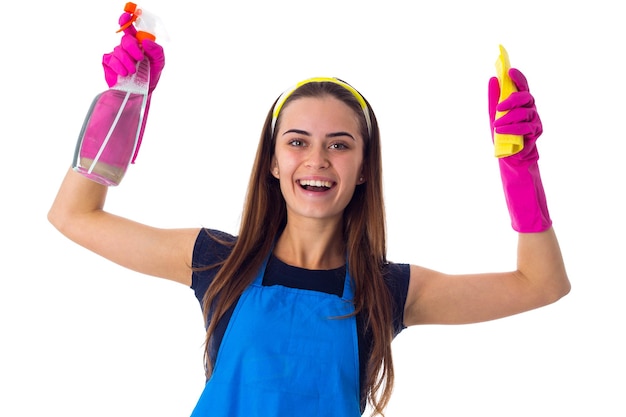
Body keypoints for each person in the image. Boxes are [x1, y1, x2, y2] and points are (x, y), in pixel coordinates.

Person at [48, 13, 570, 417]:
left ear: (364, 168)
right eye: (297, 142)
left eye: (339, 145)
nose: (317, 160)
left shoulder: (384, 289)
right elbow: (74, 215)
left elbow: (541, 284)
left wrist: (520, 172)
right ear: (273, 162)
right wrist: (123, 103)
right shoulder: (215, 262)